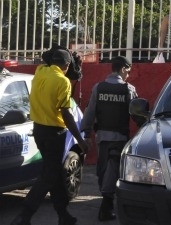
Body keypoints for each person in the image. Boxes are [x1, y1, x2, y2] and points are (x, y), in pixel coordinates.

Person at [10, 49, 90, 225]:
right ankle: (24, 215)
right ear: (67, 66)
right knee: (48, 176)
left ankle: (63, 215)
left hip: (38, 131)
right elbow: (66, 113)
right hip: (55, 133)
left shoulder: (40, 71)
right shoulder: (63, 81)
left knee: (52, 173)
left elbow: (48, 58)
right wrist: (81, 139)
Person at [80, 56, 140, 222]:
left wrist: (86, 134)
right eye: (128, 71)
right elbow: (137, 114)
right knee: (112, 169)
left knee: (103, 168)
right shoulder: (128, 89)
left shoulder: (98, 87)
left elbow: (89, 112)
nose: (128, 74)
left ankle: (106, 203)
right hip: (119, 137)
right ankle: (106, 206)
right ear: (122, 69)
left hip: (101, 138)